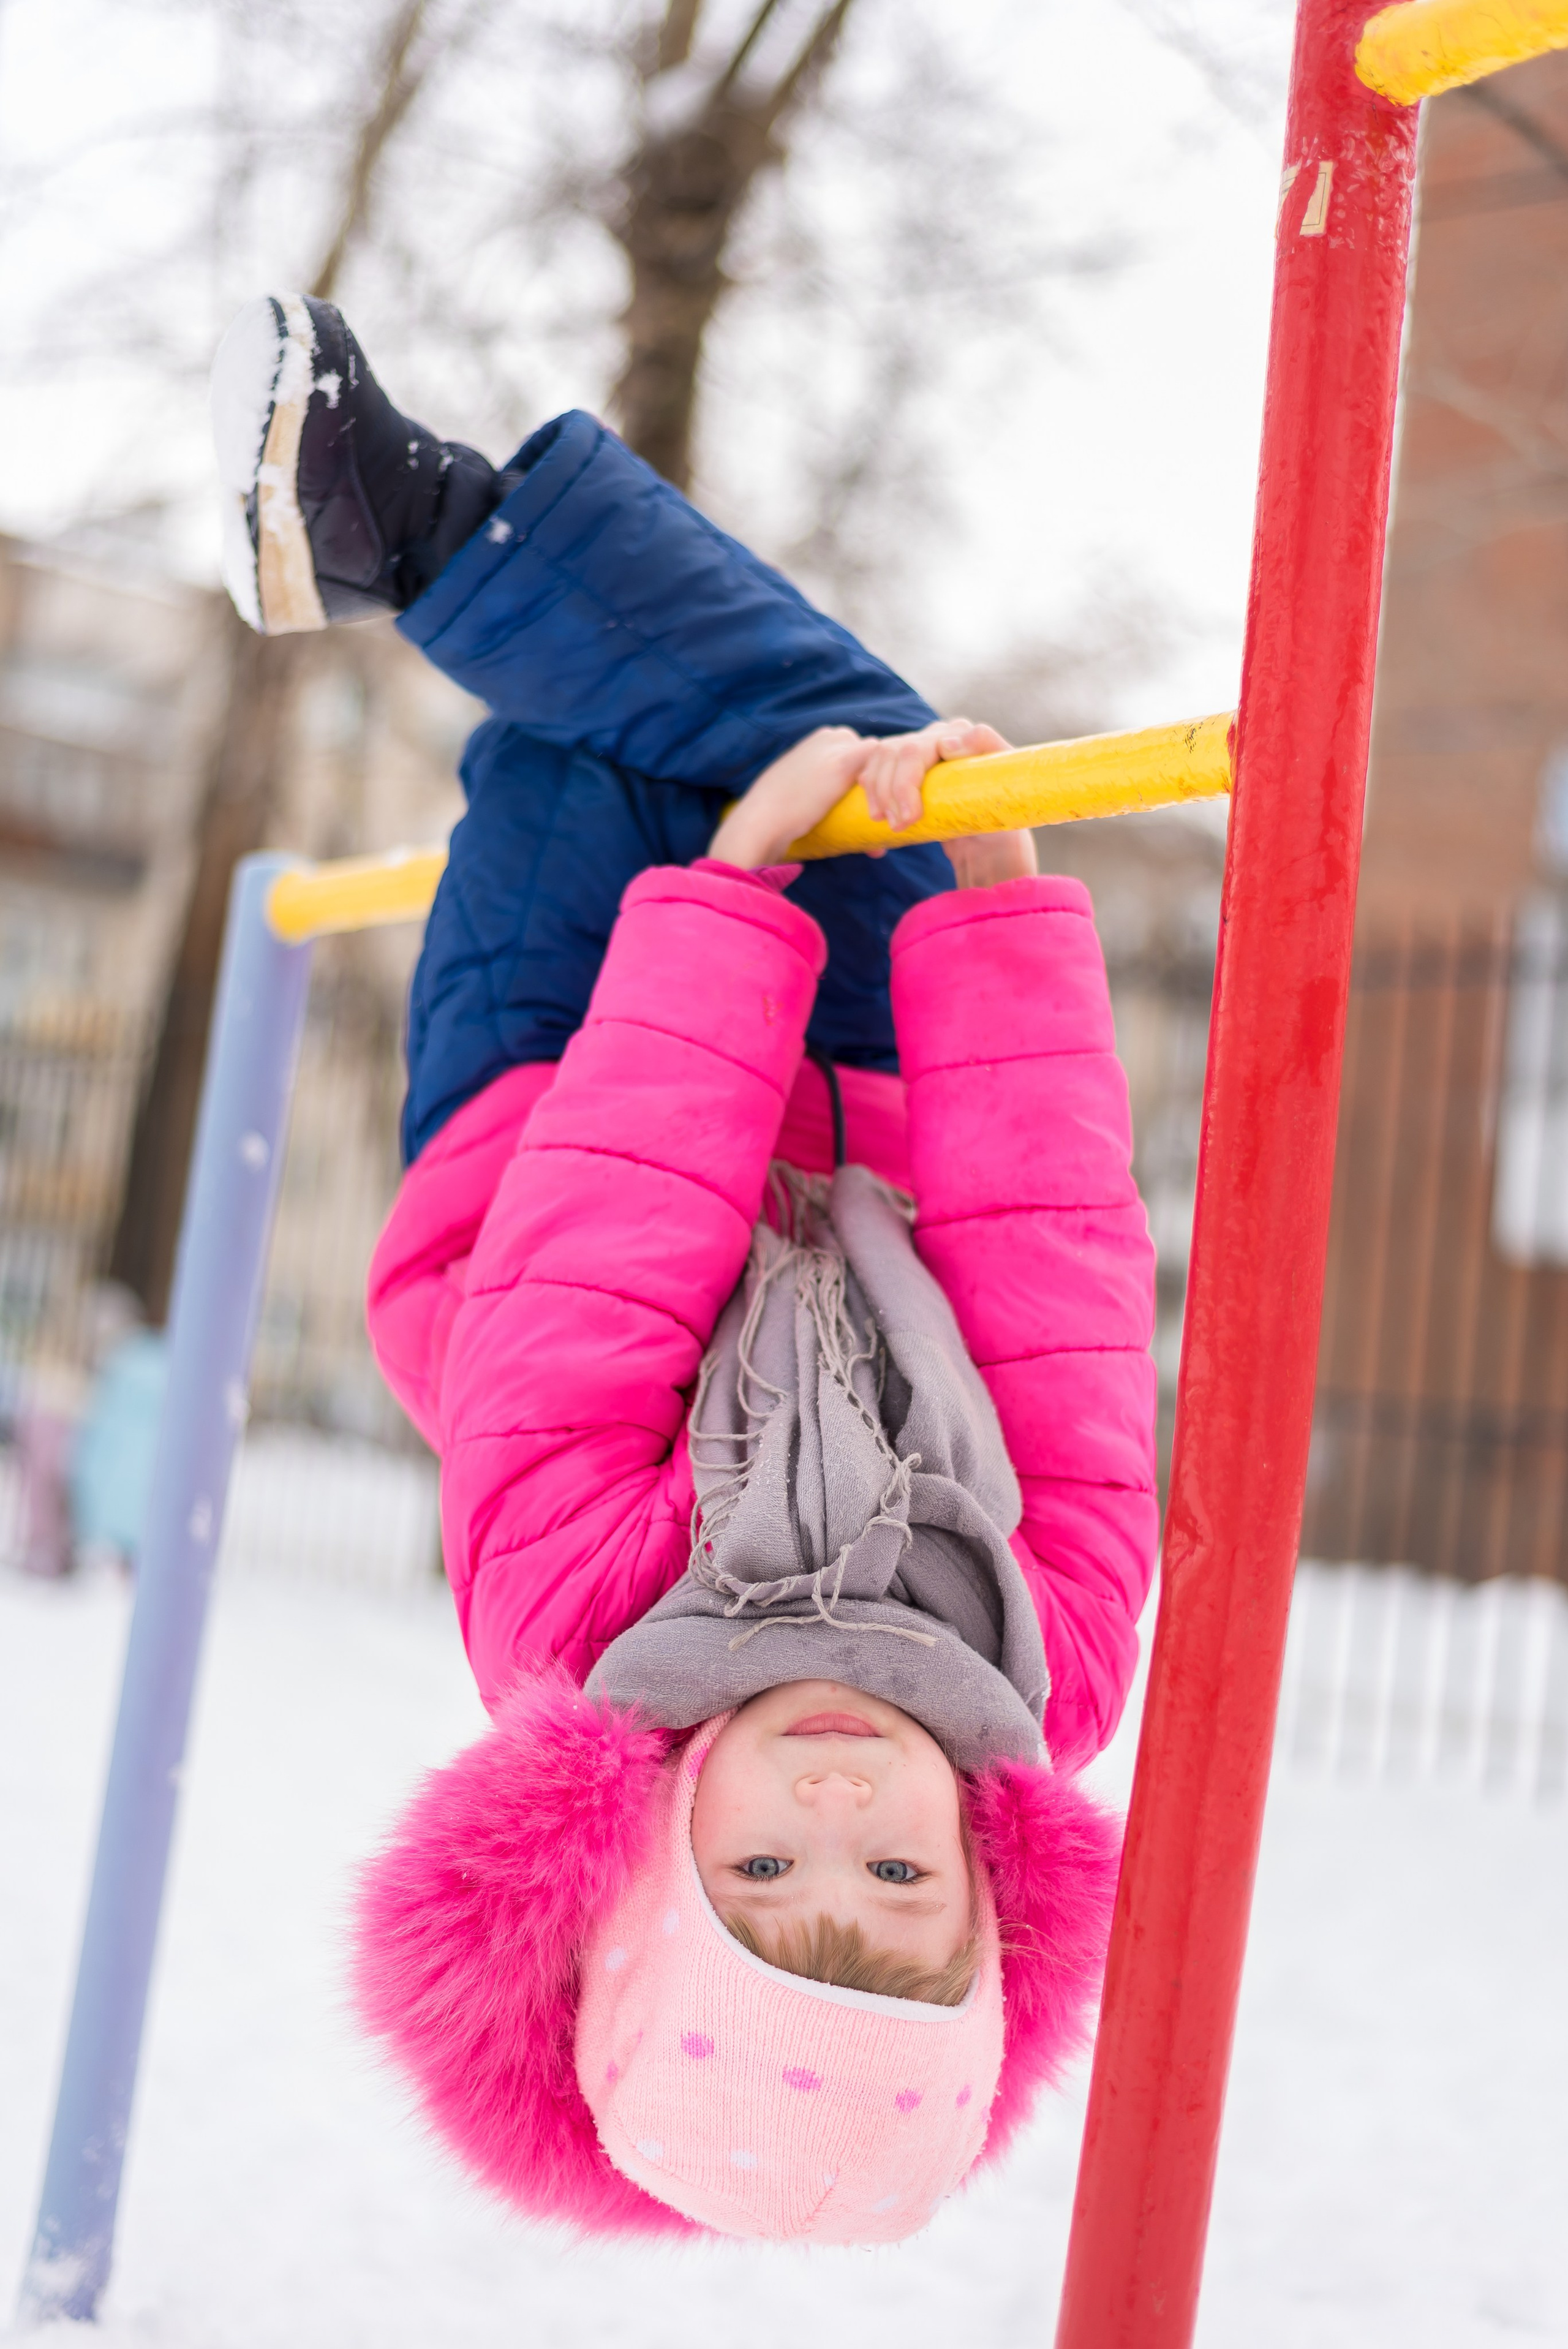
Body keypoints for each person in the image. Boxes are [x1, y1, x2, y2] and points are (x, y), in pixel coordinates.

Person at [212, 295, 1159, 2247]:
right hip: (886, 1082)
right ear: (986, 1893)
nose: (838, 1805)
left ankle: (418, 532)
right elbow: (1051, 1273)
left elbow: (609, 1245)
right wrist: (1004, 931)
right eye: (899, 1882)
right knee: (870, 743)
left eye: (767, 1876)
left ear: (656, 1861)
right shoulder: (1045, 1643)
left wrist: (730, 902)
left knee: (628, 735)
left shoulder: (575, 1630)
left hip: (555, 1077)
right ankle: (420, 535)